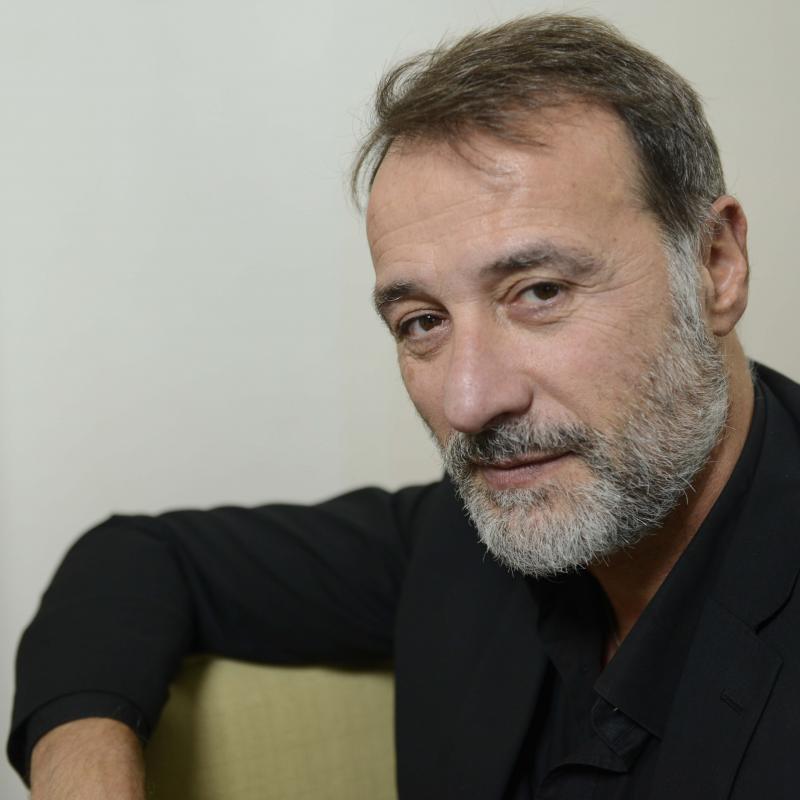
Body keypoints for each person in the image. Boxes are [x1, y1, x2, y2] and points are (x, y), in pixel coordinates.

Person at [8, 12, 800, 800]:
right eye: (422, 322)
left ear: (715, 266)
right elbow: (139, 561)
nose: (469, 401)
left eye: (540, 292)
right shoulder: (461, 546)